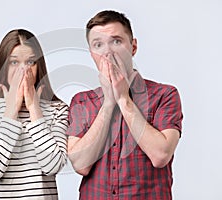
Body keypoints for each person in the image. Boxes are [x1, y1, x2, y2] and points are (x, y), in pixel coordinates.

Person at [67, 10, 183, 199]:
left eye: (116, 41)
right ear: (91, 54)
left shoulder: (165, 95)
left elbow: (160, 156)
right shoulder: (81, 101)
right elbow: (81, 165)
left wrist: (123, 99)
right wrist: (108, 103)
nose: (108, 52)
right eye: (98, 45)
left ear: (133, 47)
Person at [0, 29, 68, 199]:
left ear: (39, 67)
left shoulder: (57, 110)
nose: (24, 70)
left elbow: (52, 166)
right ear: (3, 67)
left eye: (30, 62)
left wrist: (34, 108)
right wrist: (11, 110)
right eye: (14, 62)